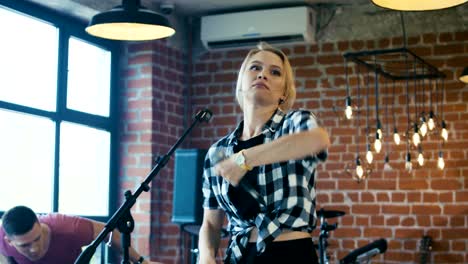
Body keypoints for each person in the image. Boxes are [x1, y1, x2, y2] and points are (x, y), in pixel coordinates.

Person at [198, 42, 330, 264]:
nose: (263, 75)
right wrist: (206, 256)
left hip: (290, 253)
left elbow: (317, 140)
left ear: (284, 92)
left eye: (275, 72)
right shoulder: (218, 152)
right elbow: (210, 223)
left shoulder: (295, 123)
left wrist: (244, 158)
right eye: (255, 68)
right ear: (241, 82)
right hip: (239, 256)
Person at [0, 205, 162, 264]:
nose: (34, 249)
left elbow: (109, 232)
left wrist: (141, 262)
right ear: (9, 241)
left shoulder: (69, 228)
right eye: (25, 245)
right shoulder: (2, 240)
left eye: (37, 239)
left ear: (39, 224)